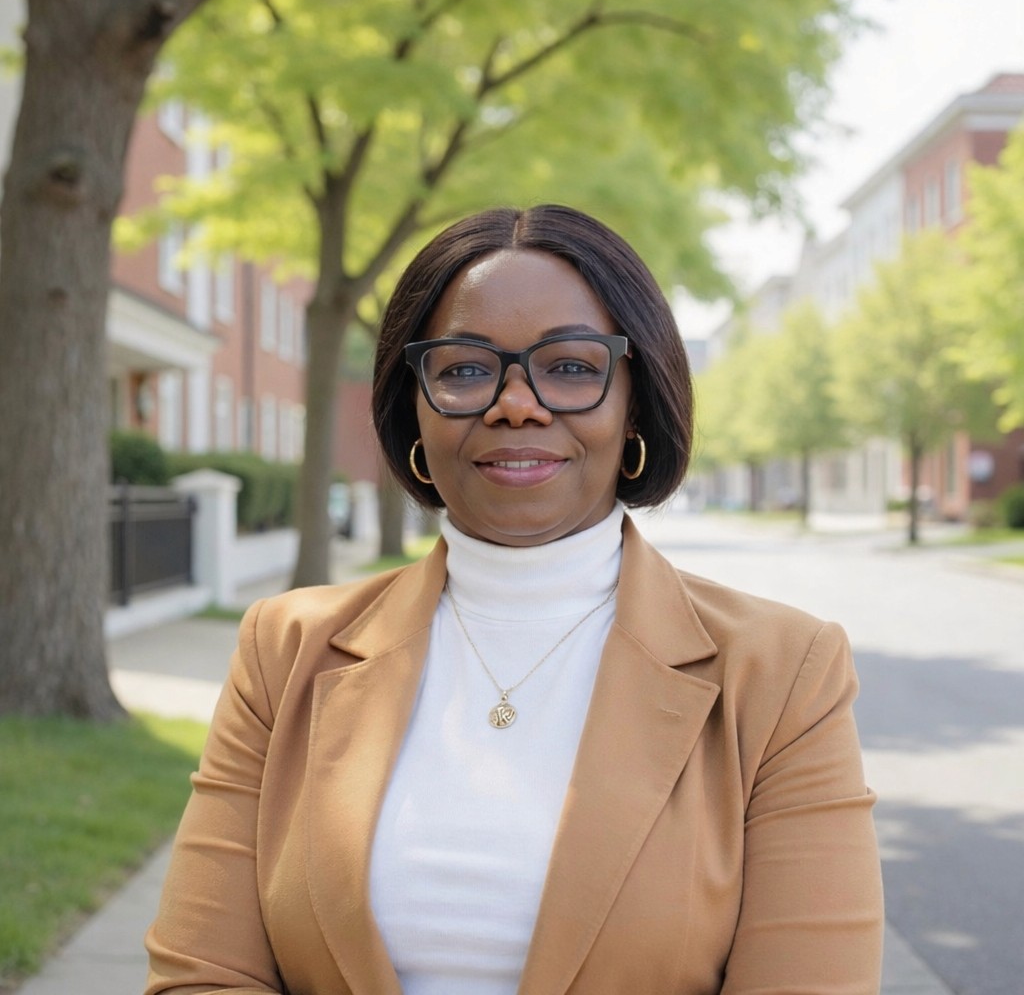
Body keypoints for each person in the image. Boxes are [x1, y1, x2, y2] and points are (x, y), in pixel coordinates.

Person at [145, 205, 884, 995]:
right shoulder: (285, 651)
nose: (517, 403)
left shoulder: (782, 675)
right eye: (464, 369)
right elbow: (203, 974)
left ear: (634, 399)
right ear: (415, 408)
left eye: (570, 366)